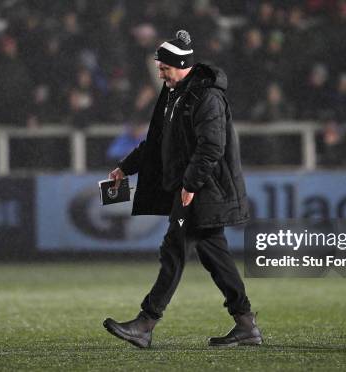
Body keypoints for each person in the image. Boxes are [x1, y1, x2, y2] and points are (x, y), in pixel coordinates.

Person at [103, 30, 261, 348]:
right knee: (214, 255)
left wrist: (189, 184)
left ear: (180, 64)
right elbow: (157, 143)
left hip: (204, 190)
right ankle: (246, 325)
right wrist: (125, 167)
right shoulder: (175, 94)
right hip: (195, 189)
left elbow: (211, 147)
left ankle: (145, 324)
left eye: (164, 68)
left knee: (173, 250)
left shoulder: (207, 97)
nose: (159, 73)